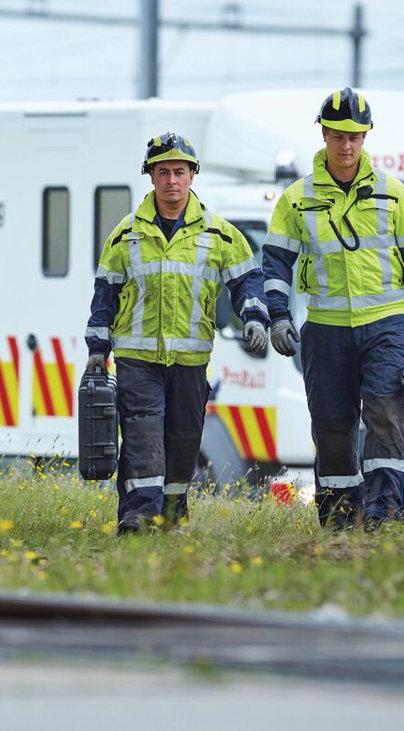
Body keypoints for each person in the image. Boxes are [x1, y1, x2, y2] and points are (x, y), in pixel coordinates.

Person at [261, 88, 404, 529]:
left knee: (385, 415)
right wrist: (280, 316)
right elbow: (275, 263)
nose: (346, 145)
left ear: (366, 137)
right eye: (339, 135)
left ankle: (384, 515)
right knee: (333, 426)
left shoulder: (392, 192)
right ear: (323, 133)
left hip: (387, 326)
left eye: (355, 137)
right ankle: (340, 521)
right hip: (326, 330)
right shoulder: (296, 199)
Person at [84, 132, 269, 533]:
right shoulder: (125, 235)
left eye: (179, 172)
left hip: (189, 359)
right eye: (163, 171)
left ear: (192, 176)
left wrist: (254, 317)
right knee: (142, 433)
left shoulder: (220, 235)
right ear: (150, 177)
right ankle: (137, 513)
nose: (171, 180)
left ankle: (171, 513)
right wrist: (97, 349)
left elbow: (248, 282)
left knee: (184, 440)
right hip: (138, 359)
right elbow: (105, 297)